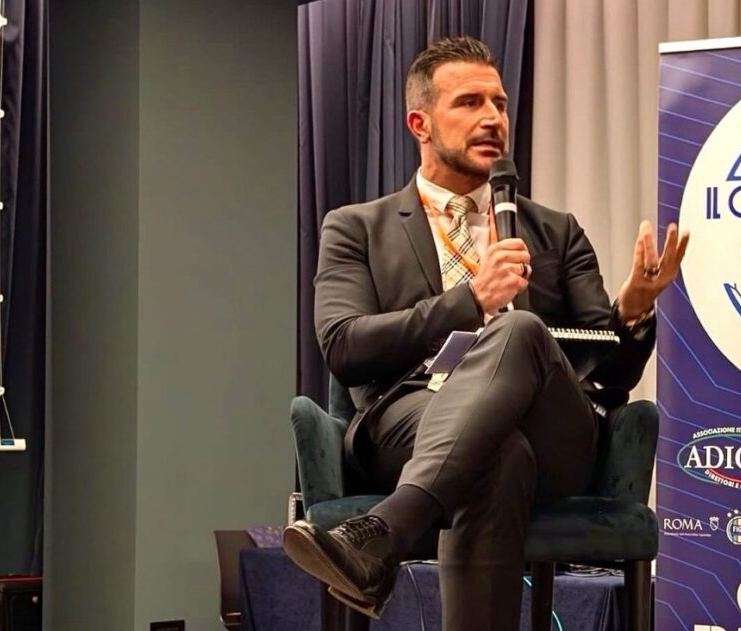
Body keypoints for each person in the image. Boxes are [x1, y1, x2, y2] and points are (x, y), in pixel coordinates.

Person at [283, 36, 688, 630]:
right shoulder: (356, 227)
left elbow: (612, 372)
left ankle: (387, 529)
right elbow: (345, 346)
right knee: (498, 454)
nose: (494, 118)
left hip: (554, 432)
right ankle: (387, 534)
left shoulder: (556, 231)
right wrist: (469, 301)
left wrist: (633, 309)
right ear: (420, 123)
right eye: (470, 102)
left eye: (499, 103)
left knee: (520, 329)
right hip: (409, 421)